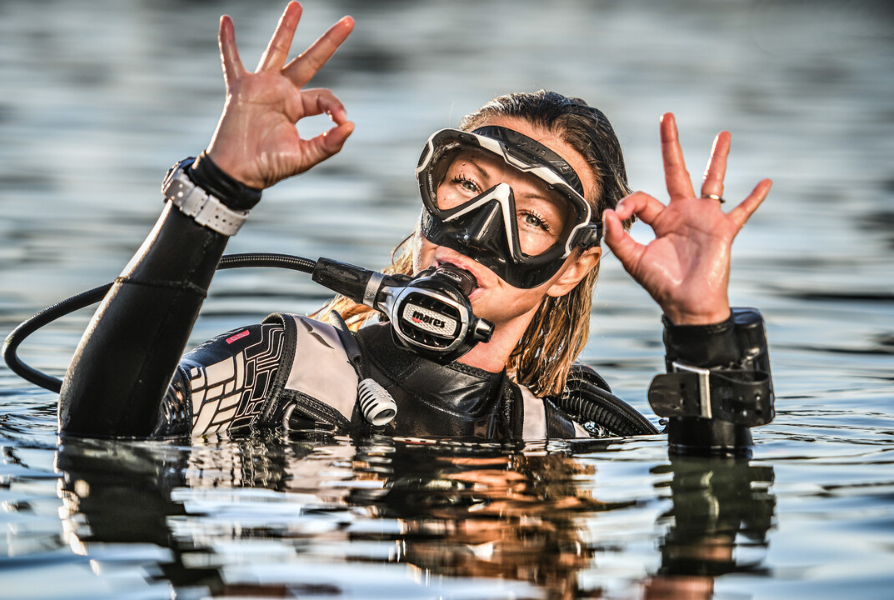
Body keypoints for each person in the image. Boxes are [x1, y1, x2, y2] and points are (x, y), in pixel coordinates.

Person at [58, 3, 774, 452]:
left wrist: (700, 328)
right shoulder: (284, 364)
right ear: (431, 197)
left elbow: (711, 529)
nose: (479, 230)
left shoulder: (555, 433)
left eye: (531, 217)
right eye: (466, 186)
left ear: (569, 267)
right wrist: (218, 188)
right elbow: (99, 438)